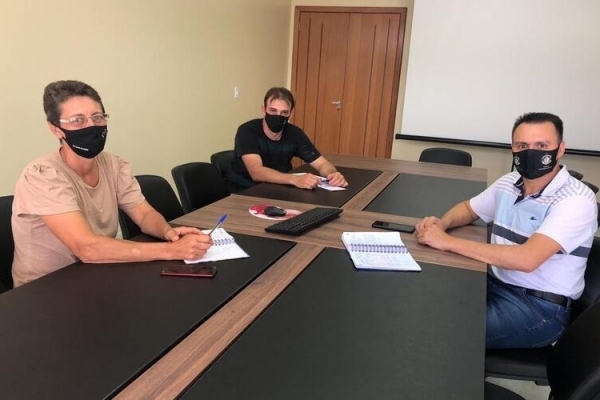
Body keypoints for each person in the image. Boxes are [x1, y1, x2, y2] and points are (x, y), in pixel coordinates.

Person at [415, 112, 598, 349]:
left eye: (542, 145)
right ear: (513, 148)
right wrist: (442, 224)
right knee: (423, 301)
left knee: (439, 329)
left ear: (560, 149)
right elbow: (469, 209)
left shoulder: (576, 199)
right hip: (495, 282)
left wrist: (446, 241)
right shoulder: (509, 182)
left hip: (539, 308)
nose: (530, 152)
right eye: (522, 146)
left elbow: (527, 259)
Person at [11, 80, 213, 287]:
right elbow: (86, 248)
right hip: (46, 288)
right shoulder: (42, 175)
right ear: (56, 129)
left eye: (97, 117)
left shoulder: (114, 164)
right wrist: (172, 251)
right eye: (78, 120)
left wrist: (168, 233)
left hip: (99, 271)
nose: (91, 126)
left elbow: (144, 214)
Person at [226, 87, 348, 192]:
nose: (278, 116)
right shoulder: (247, 131)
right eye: (273, 110)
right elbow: (256, 172)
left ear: (291, 113)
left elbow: (322, 163)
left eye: (284, 112)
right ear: (264, 110)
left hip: (279, 189)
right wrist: (294, 179)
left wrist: (332, 174)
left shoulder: (294, 133)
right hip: (244, 191)